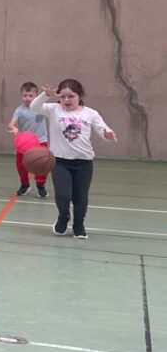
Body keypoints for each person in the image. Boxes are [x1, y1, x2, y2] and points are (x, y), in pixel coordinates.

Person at [28, 79, 117, 238]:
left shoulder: (90, 113)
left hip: (83, 163)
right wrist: (45, 95)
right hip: (59, 162)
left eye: (71, 96)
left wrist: (108, 134)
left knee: (80, 197)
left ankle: (79, 225)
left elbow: (102, 129)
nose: (67, 100)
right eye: (63, 96)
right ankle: (63, 217)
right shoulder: (54, 109)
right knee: (63, 195)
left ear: (80, 96)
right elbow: (33, 107)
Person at [7, 81, 47, 197]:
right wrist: (14, 129)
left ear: (36, 96)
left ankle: (40, 186)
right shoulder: (19, 110)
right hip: (24, 143)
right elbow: (11, 124)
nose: (27, 98)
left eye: (31, 95)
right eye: (25, 95)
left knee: (41, 164)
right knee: (21, 165)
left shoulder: (42, 108)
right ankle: (25, 185)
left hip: (41, 141)